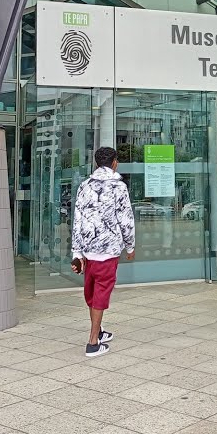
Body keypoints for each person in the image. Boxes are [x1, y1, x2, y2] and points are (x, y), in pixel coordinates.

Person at [70, 146, 136, 358]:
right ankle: (92, 342)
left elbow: (77, 219)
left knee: (92, 292)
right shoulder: (118, 187)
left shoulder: (84, 185)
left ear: (96, 163)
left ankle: (98, 331)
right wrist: (130, 246)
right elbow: (126, 219)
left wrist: (77, 252)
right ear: (115, 163)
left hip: (88, 250)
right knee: (101, 293)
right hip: (108, 250)